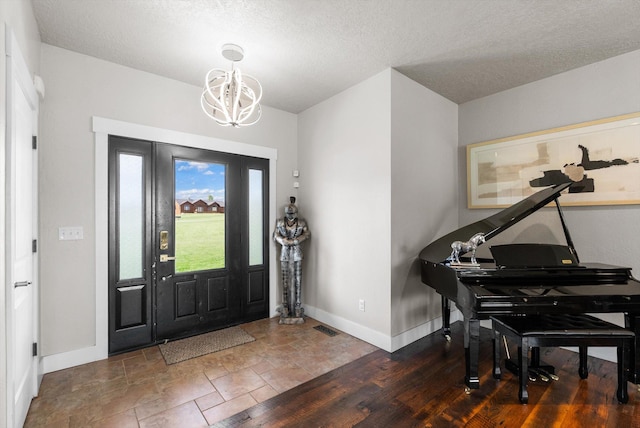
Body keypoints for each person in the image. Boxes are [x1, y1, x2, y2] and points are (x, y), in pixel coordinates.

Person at [273, 197, 310, 320]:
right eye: (288, 213)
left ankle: (298, 307)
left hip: (297, 252)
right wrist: (282, 241)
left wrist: (296, 240)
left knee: (298, 280)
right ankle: (285, 307)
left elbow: (307, 234)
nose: (290, 216)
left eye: (292, 213)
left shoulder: (301, 222)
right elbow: (276, 235)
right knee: (285, 280)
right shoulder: (279, 222)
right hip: (284, 252)